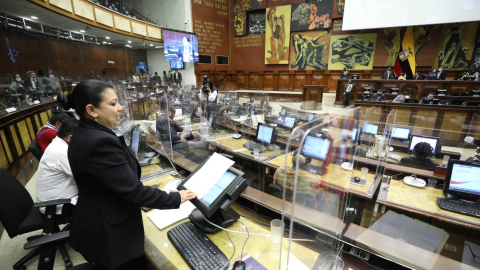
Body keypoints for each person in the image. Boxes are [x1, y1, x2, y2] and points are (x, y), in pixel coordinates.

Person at [58, 80, 196, 270]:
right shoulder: (99, 142)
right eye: (113, 104)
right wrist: (174, 197)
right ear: (92, 110)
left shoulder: (84, 131)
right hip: (111, 233)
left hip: (97, 220)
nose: (121, 108)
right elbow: (133, 192)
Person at [36, 118, 79, 217]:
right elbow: (82, 175)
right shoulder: (60, 152)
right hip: (56, 206)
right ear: (70, 138)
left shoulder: (58, 143)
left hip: (58, 199)